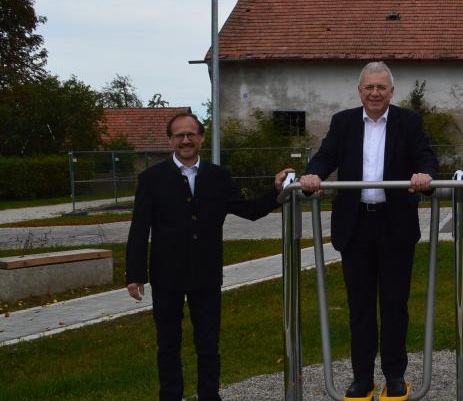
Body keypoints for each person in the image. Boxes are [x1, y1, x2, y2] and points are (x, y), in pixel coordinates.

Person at [126, 112, 293, 401]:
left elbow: (250, 210)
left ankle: (209, 395)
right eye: (179, 135)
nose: (186, 140)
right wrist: (135, 274)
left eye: (191, 134)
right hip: (166, 275)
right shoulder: (151, 179)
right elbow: (139, 229)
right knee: (168, 345)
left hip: (206, 274)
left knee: (208, 344)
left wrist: (277, 191)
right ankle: (170, 395)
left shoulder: (218, 177)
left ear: (201, 138)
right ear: (170, 141)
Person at [299, 61, 437, 400]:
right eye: (369, 87)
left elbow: (426, 158)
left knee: (395, 306)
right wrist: (311, 175)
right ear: (360, 91)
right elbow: (325, 156)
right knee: (359, 307)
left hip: (395, 226)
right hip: (356, 225)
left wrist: (424, 175)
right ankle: (362, 377)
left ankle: (394, 376)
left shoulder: (408, 122)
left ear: (391, 91)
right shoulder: (343, 122)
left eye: (381, 87)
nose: (375, 93)